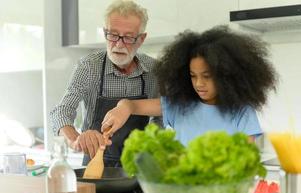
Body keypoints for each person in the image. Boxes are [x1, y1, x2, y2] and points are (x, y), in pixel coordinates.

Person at [101, 25, 278, 145]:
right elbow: (132, 105)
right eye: (193, 76)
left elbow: (245, 161)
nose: (199, 84)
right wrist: (123, 107)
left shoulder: (242, 111)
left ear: (227, 76)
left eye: (207, 76)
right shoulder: (179, 105)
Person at [50, 0, 159, 167]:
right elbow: (62, 111)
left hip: (140, 164)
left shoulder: (153, 69)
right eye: (113, 35)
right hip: (96, 161)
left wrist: (152, 144)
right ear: (105, 32)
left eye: (128, 37)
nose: (119, 44)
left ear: (141, 39)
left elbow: (161, 114)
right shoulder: (89, 66)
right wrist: (75, 139)